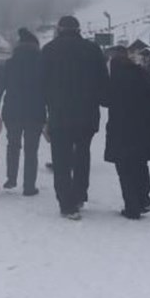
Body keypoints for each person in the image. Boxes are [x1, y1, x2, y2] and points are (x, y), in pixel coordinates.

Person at [40, 15, 108, 220]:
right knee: (82, 155)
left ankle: (67, 204)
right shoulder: (93, 50)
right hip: (87, 115)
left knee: (61, 160)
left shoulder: (49, 50)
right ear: (78, 30)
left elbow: (40, 85)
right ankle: (79, 195)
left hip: (59, 115)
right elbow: (103, 83)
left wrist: (43, 113)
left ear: (59, 29)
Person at [103, 46, 150, 220]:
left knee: (125, 167)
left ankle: (132, 206)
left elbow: (105, 100)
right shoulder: (143, 74)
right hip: (145, 130)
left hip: (122, 129)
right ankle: (144, 200)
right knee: (140, 164)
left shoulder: (115, 79)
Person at [0, 27, 46, 196]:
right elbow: (49, 89)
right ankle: (29, 186)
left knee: (13, 145)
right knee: (31, 149)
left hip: (12, 112)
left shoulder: (9, 64)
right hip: (35, 112)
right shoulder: (42, 63)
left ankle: (11, 179)